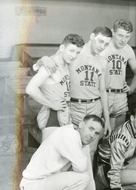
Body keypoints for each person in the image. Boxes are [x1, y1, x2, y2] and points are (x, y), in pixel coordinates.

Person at [19, 115, 105, 190]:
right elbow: (81, 168)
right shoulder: (68, 135)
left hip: (50, 188)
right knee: (82, 178)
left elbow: (90, 179)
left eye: (96, 133)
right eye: (90, 128)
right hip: (34, 186)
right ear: (81, 124)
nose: (92, 135)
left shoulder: (83, 145)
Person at [38, 27, 113, 160]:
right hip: (74, 106)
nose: (102, 46)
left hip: (95, 106)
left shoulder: (102, 61)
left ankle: (86, 180)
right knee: (70, 147)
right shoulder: (75, 53)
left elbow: (103, 91)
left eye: (106, 44)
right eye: (100, 41)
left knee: (91, 150)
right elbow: (51, 61)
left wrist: (107, 119)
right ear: (92, 36)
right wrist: (42, 59)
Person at [26, 34, 85, 141]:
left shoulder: (66, 64)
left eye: (77, 52)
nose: (74, 55)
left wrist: (41, 60)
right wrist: (52, 104)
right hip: (52, 116)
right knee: (50, 154)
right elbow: (30, 89)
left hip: (64, 114)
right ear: (62, 48)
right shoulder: (50, 65)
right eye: (71, 51)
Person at [101, 19, 136, 129]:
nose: (123, 40)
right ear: (113, 32)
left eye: (127, 36)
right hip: (104, 94)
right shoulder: (103, 47)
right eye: (120, 35)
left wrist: (131, 88)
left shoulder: (128, 50)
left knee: (118, 135)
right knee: (100, 134)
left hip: (120, 96)